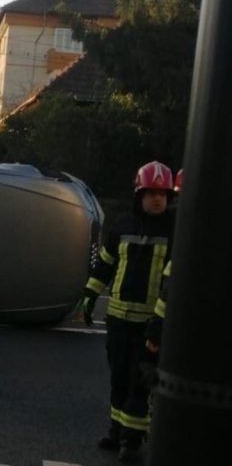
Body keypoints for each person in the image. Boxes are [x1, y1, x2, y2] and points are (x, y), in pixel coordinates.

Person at [81, 161, 175, 463]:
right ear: (139, 194)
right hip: (118, 321)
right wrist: (90, 294)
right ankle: (116, 429)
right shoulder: (122, 226)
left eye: (162, 194)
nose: (157, 199)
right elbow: (106, 265)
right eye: (151, 193)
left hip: (148, 325)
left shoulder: (175, 233)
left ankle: (132, 441)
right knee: (118, 379)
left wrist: (159, 329)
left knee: (140, 384)